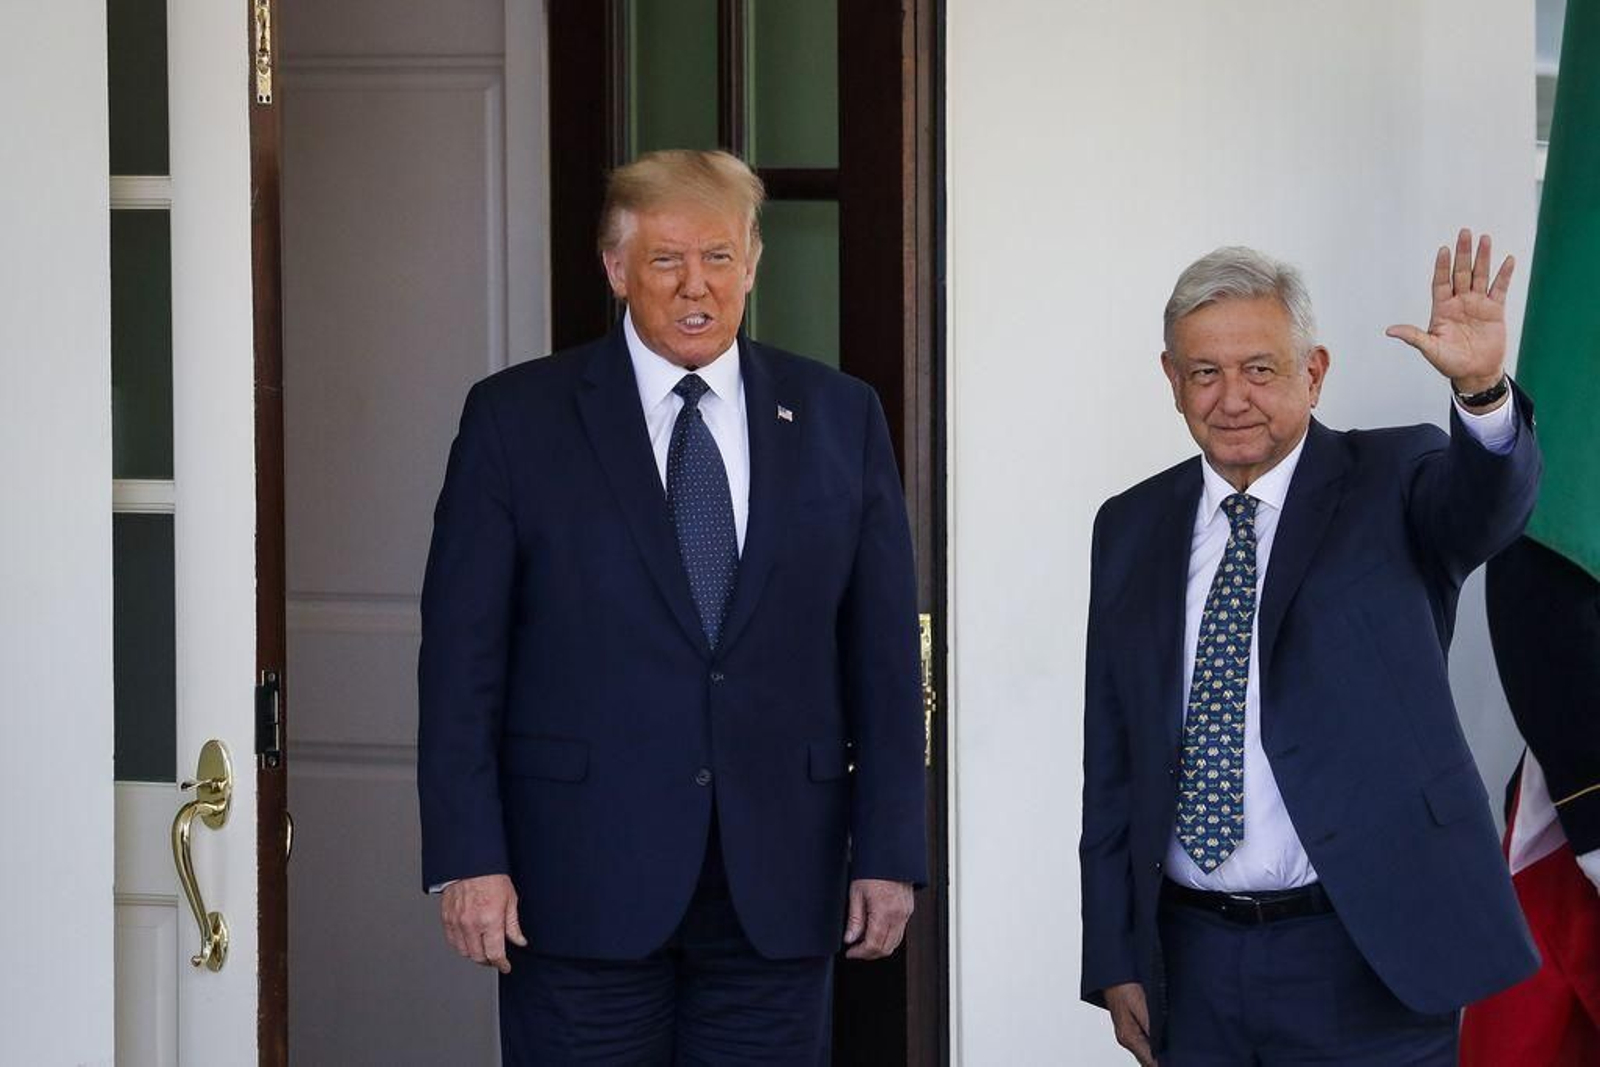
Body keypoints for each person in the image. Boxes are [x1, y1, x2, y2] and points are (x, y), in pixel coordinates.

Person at [417, 149, 925, 1064]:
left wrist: (888, 850)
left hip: (778, 885)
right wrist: (469, 856)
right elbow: (461, 664)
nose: (698, 287)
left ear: (754, 263)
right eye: (666, 260)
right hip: (575, 882)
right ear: (615, 270)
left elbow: (883, 659)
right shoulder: (515, 421)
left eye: (720, 258)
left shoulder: (840, 416)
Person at [1079, 235, 1542, 1065]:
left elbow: (1487, 510)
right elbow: (1112, 759)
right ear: (1171, 380)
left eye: (1260, 368)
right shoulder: (1131, 524)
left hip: (1366, 950)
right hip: (1194, 958)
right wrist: (1114, 955)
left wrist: (1479, 393)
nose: (1231, 398)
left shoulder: (1395, 477)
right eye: (1205, 372)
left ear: (1314, 371)